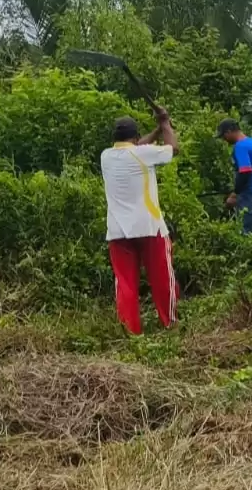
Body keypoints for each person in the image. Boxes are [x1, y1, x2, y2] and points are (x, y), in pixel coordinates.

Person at [100, 106, 180, 335]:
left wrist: (155, 131)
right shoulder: (143, 154)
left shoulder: (106, 156)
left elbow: (136, 149)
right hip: (149, 227)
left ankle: (130, 331)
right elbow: (174, 149)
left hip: (118, 233)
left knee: (125, 284)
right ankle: (170, 324)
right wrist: (164, 123)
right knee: (162, 278)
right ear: (135, 137)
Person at [217, 118, 252, 233]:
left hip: (250, 196)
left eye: (223, 136)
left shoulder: (240, 147)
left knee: (245, 232)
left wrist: (235, 194)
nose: (224, 139)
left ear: (229, 132)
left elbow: (245, 171)